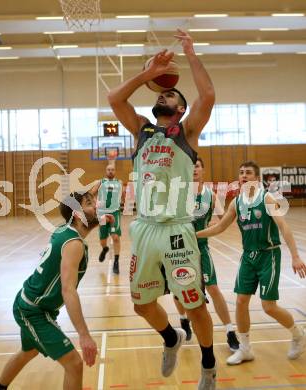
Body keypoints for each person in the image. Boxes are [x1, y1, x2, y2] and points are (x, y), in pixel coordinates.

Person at [108, 29, 216, 389]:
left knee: (194, 304)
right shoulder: (141, 130)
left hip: (177, 229)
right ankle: (171, 338)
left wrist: (190, 52)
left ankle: (209, 365)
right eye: (162, 92)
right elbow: (114, 98)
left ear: (180, 109)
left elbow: (209, 94)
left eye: (170, 93)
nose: (164, 95)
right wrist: (147, 76)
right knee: (142, 305)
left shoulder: (187, 132)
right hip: (144, 228)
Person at [0, 191, 114, 390]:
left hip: (34, 303)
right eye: (90, 203)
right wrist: (84, 335)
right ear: (77, 214)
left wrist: (94, 210)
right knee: (74, 364)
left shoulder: (64, 230)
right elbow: (68, 290)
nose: (96, 205)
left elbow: (75, 204)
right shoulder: (73, 244)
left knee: (28, 352)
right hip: (33, 311)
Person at [197, 160, 306, 365]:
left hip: (269, 255)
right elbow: (220, 227)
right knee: (240, 301)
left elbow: (284, 227)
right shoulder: (236, 202)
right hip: (248, 256)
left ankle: (298, 334)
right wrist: (194, 234)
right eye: (241, 173)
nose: (244, 176)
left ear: (256, 178)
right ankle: (245, 349)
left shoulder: (267, 198)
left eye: (248, 172)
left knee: (268, 306)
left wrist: (296, 256)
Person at [174, 158, 240, 352]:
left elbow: (223, 221)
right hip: (180, 249)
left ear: (202, 170)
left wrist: (204, 230)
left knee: (213, 288)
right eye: (190, 167)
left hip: (201, 248)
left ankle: (230, 332)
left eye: (197, 166)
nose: (194, 169)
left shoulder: (210, 196)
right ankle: (184, 320)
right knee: (180, 291)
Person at [97, 164, 123, 274]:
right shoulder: (100, 182)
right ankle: (104, 249)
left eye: (112, 169)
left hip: (115, 213)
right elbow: (92, 194)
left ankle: (116, 262)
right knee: (103, 239)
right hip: (102, 213)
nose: (111, 171)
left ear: (115, 171)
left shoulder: (119, 182)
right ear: (105, 171)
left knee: (115, 237)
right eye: (109, 169)